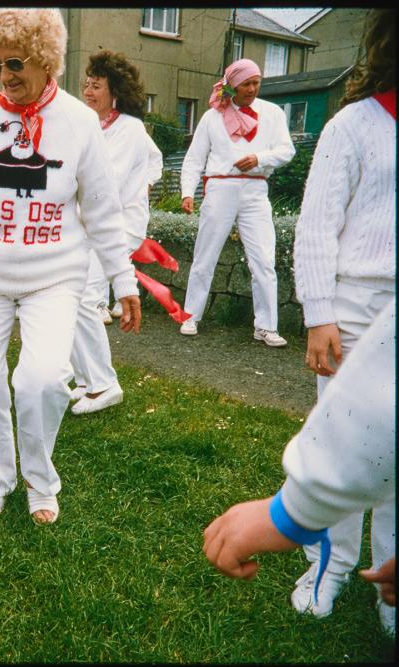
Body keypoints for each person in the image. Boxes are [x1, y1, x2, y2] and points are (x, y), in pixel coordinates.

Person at [0, 8, 141, 524]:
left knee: (41, 381)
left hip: (54, 278)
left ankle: (40, 479)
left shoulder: (81, 123)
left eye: (15, 63)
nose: (6, 76)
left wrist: (123, 282)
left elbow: (104, 214)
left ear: (46, 60)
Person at [288, 7, 396, 626]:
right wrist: (320, 313)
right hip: (357, 310)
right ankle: (328, 563)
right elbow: (316, 227)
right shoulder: (355, 124)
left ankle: (390, 586)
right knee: (346, 448)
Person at [203, 297, 395, 636]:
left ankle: (388, 571)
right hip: (352, 304)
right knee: (345, 422)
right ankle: (330, 564)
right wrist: (319, 313)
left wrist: (291, 513)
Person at [68, 50, 164, 415]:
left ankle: (105, 384)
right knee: (75, 296)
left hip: (118, 226)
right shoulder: (92, 125)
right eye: (86, 84)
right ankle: (86, 380)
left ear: (116, 92)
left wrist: (143, 185)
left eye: (97, 85)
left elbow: (106, 183)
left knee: (84, 297)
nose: (88, 90)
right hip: (90, 223)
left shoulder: (130, 129)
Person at [177, 58, 295, 346]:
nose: (252, 89)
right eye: (246, 84)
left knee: (264, 259)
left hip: (255, 190)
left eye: (256, 82)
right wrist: (187, 192)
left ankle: (266, 326)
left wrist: (260, 158)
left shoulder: (272, 113)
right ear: (232, 85)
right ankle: (190, 315)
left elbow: (286, 150)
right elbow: (194, 158)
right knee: (206, 254)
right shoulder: (212, 116)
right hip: (220, 188)